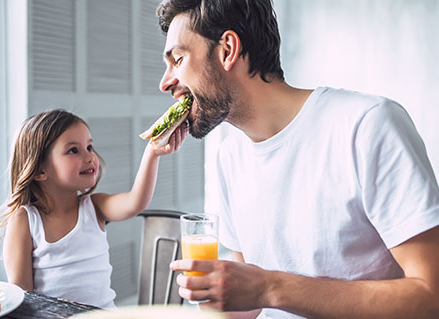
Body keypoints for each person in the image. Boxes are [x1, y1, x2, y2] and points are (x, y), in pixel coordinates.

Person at [156, 0, 439, 318]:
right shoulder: (229, 158)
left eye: (177, 60)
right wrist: (217, 300)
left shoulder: (367, 125)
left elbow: (431, 295)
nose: (165, 82)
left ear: (227, 50)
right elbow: (251, 304)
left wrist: (270, 287)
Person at [0, 109, 187, 308]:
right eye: (73, 150)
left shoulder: (95, 207)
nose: (90, 157)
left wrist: (152, 153)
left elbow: (135, 202)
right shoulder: (25, 220)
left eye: (89, 147)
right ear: (39, 170)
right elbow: (23, 296)